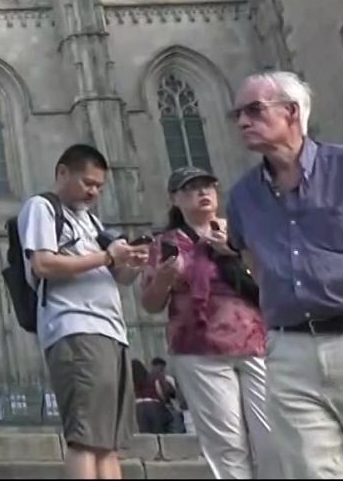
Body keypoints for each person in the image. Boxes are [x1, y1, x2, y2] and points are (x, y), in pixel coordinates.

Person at [225, 71, 343, 479]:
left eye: (254, 110)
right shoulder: (243, 196)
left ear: (291, 112)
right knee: (310, 472)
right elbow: (249, 258)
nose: (243, 122)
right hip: (290, 352)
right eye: (237, 114)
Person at [18, 144, 149, 480]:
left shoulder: (92, 222)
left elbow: (118, 277)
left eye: (99, 187)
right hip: (76, 328)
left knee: (107, 443)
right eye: (88, 183)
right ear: (62, 173)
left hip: (110, 332)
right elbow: (43, 263)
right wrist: (107, 257)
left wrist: (132, 262)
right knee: (85, 439)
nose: (94, 191)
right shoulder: (42, 207)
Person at [140, 165, 269, 477]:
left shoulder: (242, 230)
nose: (202, 193)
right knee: (227, 446)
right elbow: (151, 304)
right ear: (174, 199)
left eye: (207, 187)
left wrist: (235, 252)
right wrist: (164, 280)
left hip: (257, 342)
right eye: (191, 189)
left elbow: (274, 280)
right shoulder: (164, 244)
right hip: (199, 350)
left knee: (274, 437)